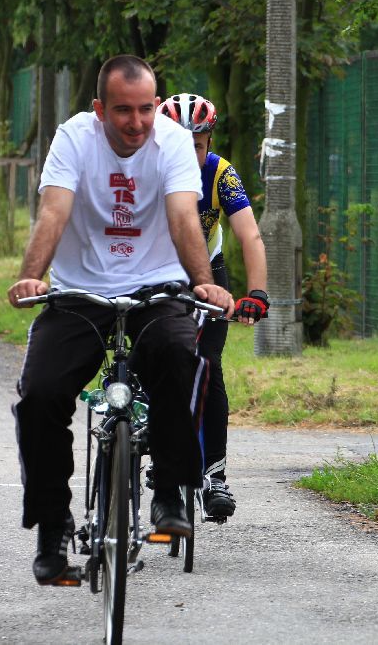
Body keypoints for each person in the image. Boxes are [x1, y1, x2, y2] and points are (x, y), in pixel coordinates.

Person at [7, 55, 235, 585]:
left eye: (145, 110)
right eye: (122, 111)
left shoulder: (174, 143)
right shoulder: (73, 139)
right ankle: (53, 525)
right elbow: (54, 211)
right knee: (40, 394)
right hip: (79, 291)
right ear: (98, 110)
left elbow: (183, 216)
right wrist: (32, 277)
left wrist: (202, 279)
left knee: (183, 360)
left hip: (158, 288)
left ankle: (170, 490)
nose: (136, 122)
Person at [158, 93, 269, 518]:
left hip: (209, 269)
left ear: (210, 141)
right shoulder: (146, 168)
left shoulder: (221, 174)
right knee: (155, 355)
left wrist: (256, 294)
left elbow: (250, 235)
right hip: (158, 270)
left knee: (209, 365)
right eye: (178, 145)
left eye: (198, 146)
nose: (189, 155)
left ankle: (215, 475)